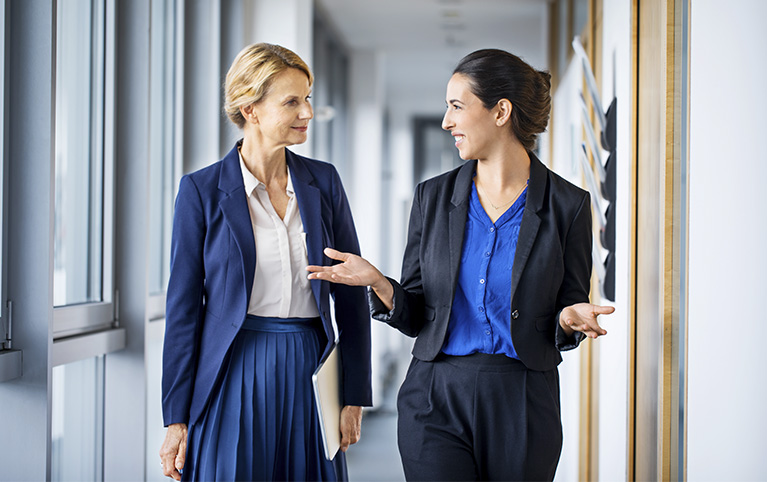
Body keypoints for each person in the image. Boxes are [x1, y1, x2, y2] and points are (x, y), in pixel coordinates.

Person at [307, 48, 614, 481]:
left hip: (523, 399)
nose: (447, 121)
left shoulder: (568, 206)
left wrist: (568, 317)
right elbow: (416, 312)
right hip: (435, 394)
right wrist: (380, 283)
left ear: (500, 111)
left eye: (456, 106)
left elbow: (566, 308)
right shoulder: (431, 199)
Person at [159, 43, 372, 482]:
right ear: (250, 109)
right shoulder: (200, 191)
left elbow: (351, 289)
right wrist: (175, 420)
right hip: (232, 367)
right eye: (292, 101)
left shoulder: (324, 181)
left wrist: (354, 393)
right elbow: (182, 309)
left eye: (308, 97)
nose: (307, 112)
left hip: (311, 362)